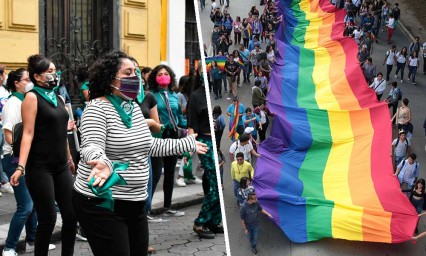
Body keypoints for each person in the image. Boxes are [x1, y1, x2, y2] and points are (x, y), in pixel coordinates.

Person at [71, 51, 207, 256]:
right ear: (110, 79)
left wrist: (185, 144)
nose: (135, 78)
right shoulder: (96, 108)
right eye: (128, 73)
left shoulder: (132, 108)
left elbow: (149, 145)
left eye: (135, 72)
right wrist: (101, 162)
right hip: (102, 203)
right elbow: (91, 146)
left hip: (135, 203)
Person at [10, 55, 76, 256]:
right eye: (49, 71)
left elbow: (62, 133)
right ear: (37, 77)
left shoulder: (59, 98)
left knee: (72, 216)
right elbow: (27, 134)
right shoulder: (31, 97)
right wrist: (21, 167)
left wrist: (70, 158)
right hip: (40, 167)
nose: (54, 74)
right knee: (48, 219)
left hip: (61, 166)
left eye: (54, 70)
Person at [1, 68, 56, 256]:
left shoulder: (28, 99)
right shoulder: (13, 103)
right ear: (16, 82)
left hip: (27, 158)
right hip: (14, 159)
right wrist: (21, 158)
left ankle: (33, 240)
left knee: (32, 203)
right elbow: (9, 134)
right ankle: (9, 247)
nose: (30, 82)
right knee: (25, 206)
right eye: (26, 79)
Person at [149, 64, 189, 217]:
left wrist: (185, 130)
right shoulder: (150, 95)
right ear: (155, 77)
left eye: (166, 73)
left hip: (173, 135)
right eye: (160, 74)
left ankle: (167, 206)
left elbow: (179, 116)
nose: (163, 76)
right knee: (156, 172)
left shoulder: (174, 95)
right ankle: (148, 207)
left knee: (170, 171)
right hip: (158, 136)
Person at [187, 67, 223, 239]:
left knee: (212, 184)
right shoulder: (195, 96)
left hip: (214, 142)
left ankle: (213, 221)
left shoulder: (212, 94)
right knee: (216, 187)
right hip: (204, 143)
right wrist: (192, 148)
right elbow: (191, 126)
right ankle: (200, 222)